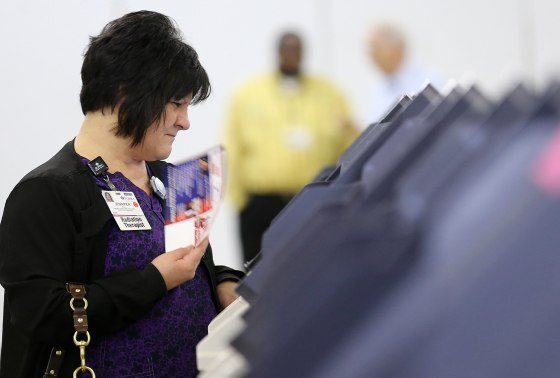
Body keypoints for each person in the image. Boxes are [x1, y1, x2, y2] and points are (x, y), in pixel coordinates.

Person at [0, 11, 243, 378]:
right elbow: (41, 315)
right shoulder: (46, 193)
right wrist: (153, 281)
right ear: (125, 92)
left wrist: (224, 281)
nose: (185, 121)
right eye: (176, 104)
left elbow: (187, 267)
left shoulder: (170, 177)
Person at [225, 31, 359, 266]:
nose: (291, 55)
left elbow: (350, 142)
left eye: (296, 50)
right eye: (286, 49)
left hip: (313, 199)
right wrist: (239, 201)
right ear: (278, 53)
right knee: (258, 273)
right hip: (261, 205)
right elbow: (233, 147)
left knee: (313, 269)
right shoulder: (248, 95)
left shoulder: (329, 94)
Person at [366, 23, 444, 124]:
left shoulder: (429, 80)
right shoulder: (378, 88)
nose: (373, 58)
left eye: (377, 51)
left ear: (395, 49)